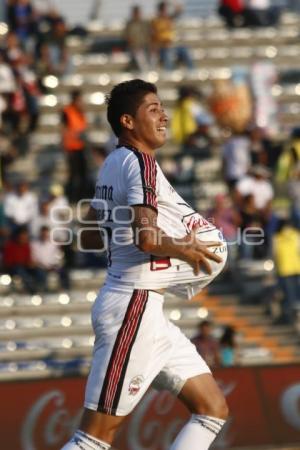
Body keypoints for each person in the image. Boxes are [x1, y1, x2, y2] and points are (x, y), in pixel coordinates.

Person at [61, 79, 228, 450]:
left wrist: (125, 229)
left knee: (212, 408)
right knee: (94, 438)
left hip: (144, 308)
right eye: (153, 109)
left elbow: (89, 236)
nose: (163, 115)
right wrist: (185, 248)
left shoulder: (112, 163)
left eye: (162, 107)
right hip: (133, 305)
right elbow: (147, 239)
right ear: (128, 121)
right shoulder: (139, 164)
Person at [61, 89, 88, 203]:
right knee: (73, 175)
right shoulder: (67, 111)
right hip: (71, 147)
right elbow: (63, 129)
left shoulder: (80, 112)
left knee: (83, 173)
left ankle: (82, 197)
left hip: (81, 146)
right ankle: (71, 197)